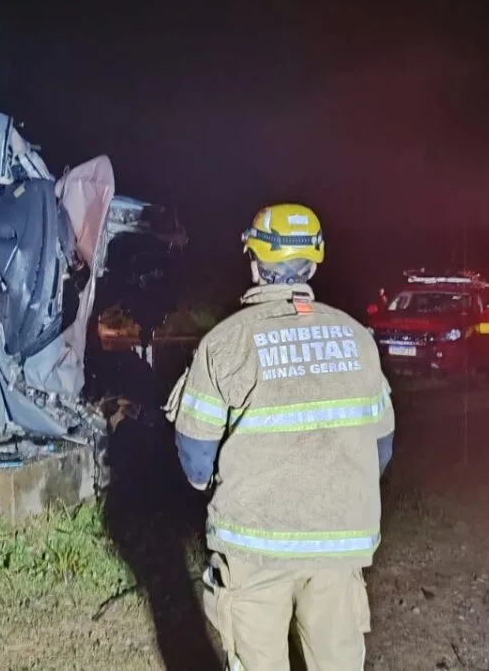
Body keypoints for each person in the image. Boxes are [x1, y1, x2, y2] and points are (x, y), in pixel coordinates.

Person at [164, 204, 395, 670]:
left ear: (253, 261)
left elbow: (194, 459)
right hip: (339, 540)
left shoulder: (224, 343)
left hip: (255, 545)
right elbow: (382, 448)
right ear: (313, 263)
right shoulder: (357, 338)